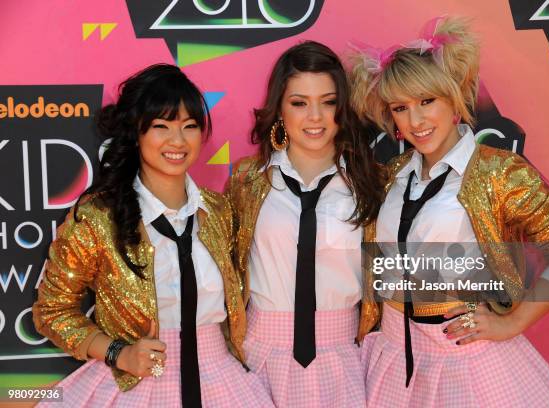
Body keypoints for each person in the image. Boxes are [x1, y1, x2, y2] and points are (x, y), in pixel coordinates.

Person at [349, 16, 549, 407]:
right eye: (401, 107)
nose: (416, 121)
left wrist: (513, 322)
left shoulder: (497, 172)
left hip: (464, 360)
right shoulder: (392, 175)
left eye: (427, 101)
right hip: (394, 356)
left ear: (453, 96)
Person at [33, 64, 273, 407]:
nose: (178, 141)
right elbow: (52, 311)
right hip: (136, 383)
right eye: (161, 126)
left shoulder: (220, 211)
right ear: (136, 133)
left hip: (221, 380)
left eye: (189, 126)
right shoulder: (97, 218)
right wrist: (119, 353)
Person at [225, 41, 384, 407]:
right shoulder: (247, 182)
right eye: (299, 102)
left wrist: (477, 302)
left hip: (345, 359)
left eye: (328, 102)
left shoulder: (373, 183)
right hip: (258, 359)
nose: (315, 117)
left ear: (342, 108)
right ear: (279, 108)